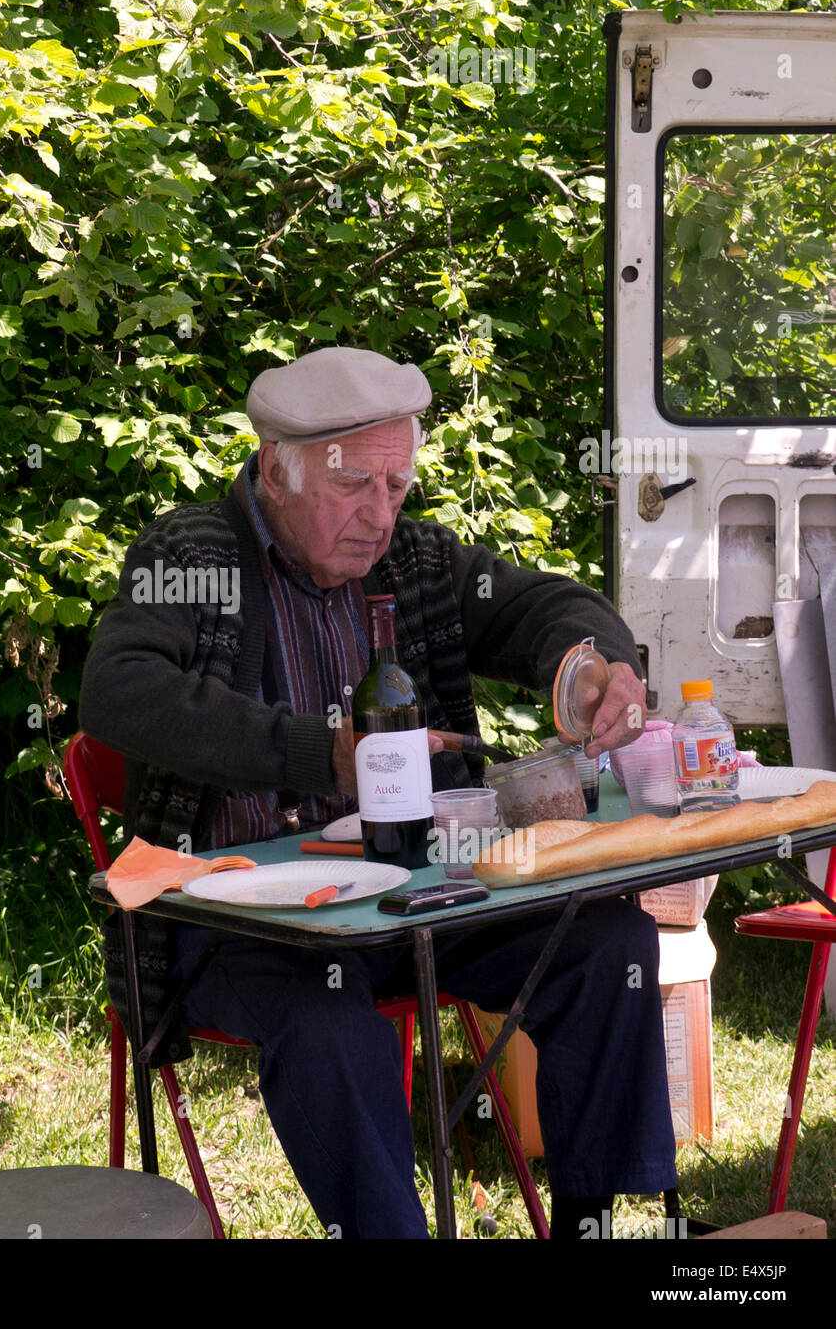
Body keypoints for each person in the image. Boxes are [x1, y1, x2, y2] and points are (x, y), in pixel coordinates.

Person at [78, 345, 678, 1239]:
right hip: (240, 914)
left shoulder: (417, 563)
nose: (381, 516)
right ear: (278, 471)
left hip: (415, 898)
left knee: (606, 942)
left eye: (397, 489)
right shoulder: (194, 552)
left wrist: (594, 668)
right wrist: (323, 754)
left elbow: (542, 606)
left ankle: (589, 1225)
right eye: (357, 486)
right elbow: (118, 692)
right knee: (332, 1027)